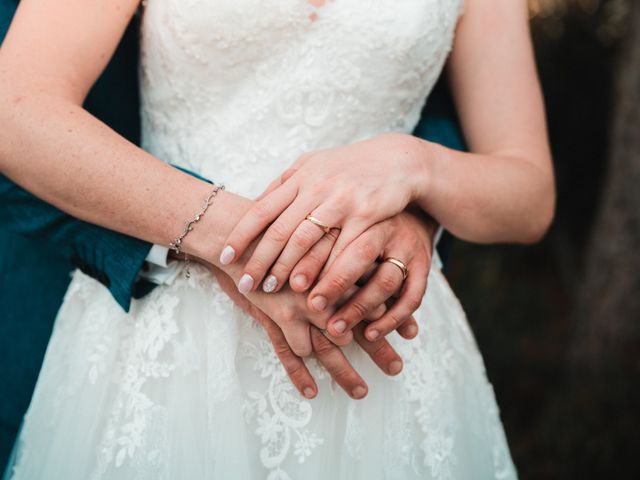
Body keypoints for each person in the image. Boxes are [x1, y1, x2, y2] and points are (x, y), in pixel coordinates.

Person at [0, 0, 555, 478]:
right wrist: (242, 244)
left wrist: (416, 167)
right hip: (170, 340)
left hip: (380, 332)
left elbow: (529, 194)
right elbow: (17, 112)